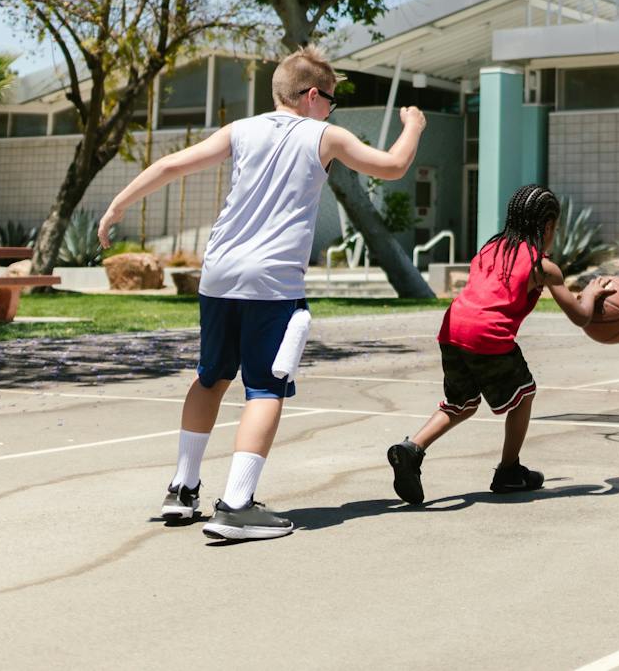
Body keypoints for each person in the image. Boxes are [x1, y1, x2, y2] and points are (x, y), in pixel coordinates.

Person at [99, 46, 425, 542]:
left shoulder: (241, 130)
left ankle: (182, 491)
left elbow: (170, 166)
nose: (331, 109)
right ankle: (235, 506)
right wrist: (414, 126)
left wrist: (118, 205)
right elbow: (393, 166)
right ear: (313, 95)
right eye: (330, 100)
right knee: (266, 388)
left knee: (210, 379)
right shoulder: (324, 134)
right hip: (272, 284)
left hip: (219, 276)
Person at [386, 184, 615, 508]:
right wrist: (590, 293)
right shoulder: (543, 266)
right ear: (548, 227)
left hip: (452, 329)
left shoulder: (490, 249)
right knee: (525, 393)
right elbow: (581, 317)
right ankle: (508, 470)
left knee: (462, 402)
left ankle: (411, 449)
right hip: (486, 334)